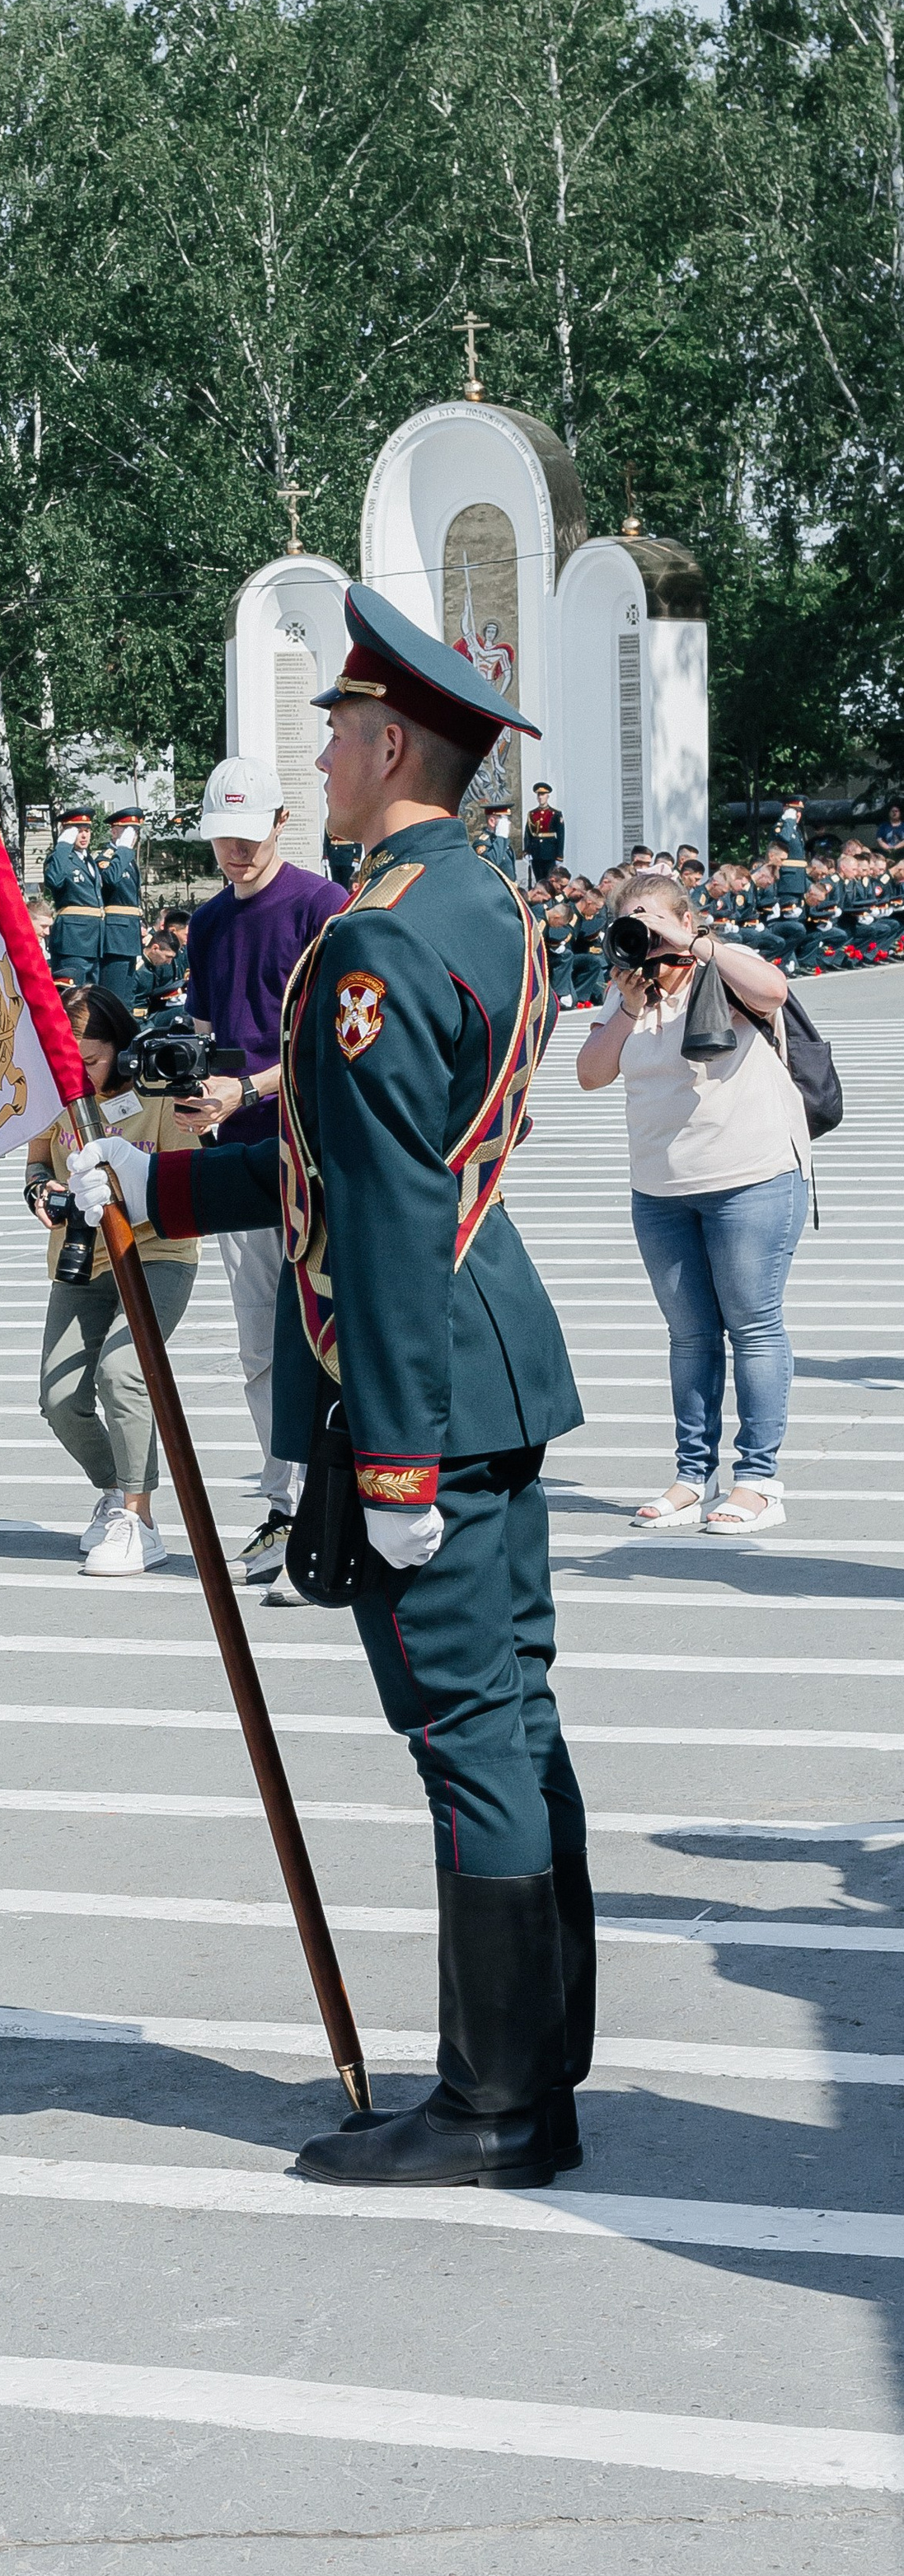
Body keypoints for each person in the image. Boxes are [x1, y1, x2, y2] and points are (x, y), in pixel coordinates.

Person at [68, 582, 590, 2194]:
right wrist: (156, 1185)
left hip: (417, 1382)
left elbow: (379, 1207)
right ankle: (539, 2072)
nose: (324, 759)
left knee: (465, 1739)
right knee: (513, 1719)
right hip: (484, 1358)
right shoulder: (483, 903)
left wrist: (393, 1468)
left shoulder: (369, 940)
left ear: (391, 747)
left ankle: (492, 2106)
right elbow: (339, 1160)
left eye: (342, 731)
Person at [575, 875, 807, 1537]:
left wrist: (696, 943)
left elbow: (774, 992)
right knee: (690, 1336)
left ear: (685, 919)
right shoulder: (627, 992)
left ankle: (758, 1481)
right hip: (660, 1190)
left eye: (653, 921)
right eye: (630, 924)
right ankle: (693, 1475)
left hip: (751, 1176)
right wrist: (626, 1007)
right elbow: (591, 1074)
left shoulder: (723, 968)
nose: (644, 936)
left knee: (753, 1326)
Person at [180, 756, 347, 1592]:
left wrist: (245, 1088)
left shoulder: (325, 907)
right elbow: (208, 1031)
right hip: (236, 1153)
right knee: (257, 1342)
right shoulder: (209, 922)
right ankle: (284, 1509)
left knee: (327, 1336)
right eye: (222, 838)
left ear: (282, 822)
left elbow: (333, 1041)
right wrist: (189, 1085)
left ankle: (332, 1508)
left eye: (248, 835)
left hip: (314, 1153)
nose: (235, 852)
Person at [24, 985, 199, 1578]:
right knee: (59, 1399)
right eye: (70, 1062)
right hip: (82, 1256)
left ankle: (138, 1519)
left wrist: (126, 1188)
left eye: (93, 1059)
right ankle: (115, 1487)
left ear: (123, 1050)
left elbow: (186, 1181)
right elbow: (39, 1153)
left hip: (157, 1251)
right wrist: (39, 1188)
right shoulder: (59, 1091)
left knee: (123, 1372)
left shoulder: (157, 1092)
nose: (82, 1073)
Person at [40, 807, 103, 985]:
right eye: (78, 831)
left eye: (87, 830)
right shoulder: (60, 859)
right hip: (73, 939)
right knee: (71, 992)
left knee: (90, 995)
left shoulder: (89, 861)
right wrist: (62, 847)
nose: (84, 835)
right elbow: (54, 880)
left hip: (94, 940)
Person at [96, 809, 145, 1006]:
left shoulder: (128, 859)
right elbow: (110, 879)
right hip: (115, 935)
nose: (132, 836)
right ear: (114, 831)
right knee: (113, 995)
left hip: (130, 933)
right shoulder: (107, 857)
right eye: (127, 830)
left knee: (127, 997)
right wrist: (123, 849)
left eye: (135, 831)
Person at [522, 783, 564, 885]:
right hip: (536, 853)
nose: (540, 797)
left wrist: (559, 856)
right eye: (539, 795)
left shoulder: (555, 814)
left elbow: (561, 836)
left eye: (543, 794)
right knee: (539, 881)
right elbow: (528, 834)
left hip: (550, 853)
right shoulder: (532, 814)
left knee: (549, 881)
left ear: (548, 796)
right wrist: (527, 851)